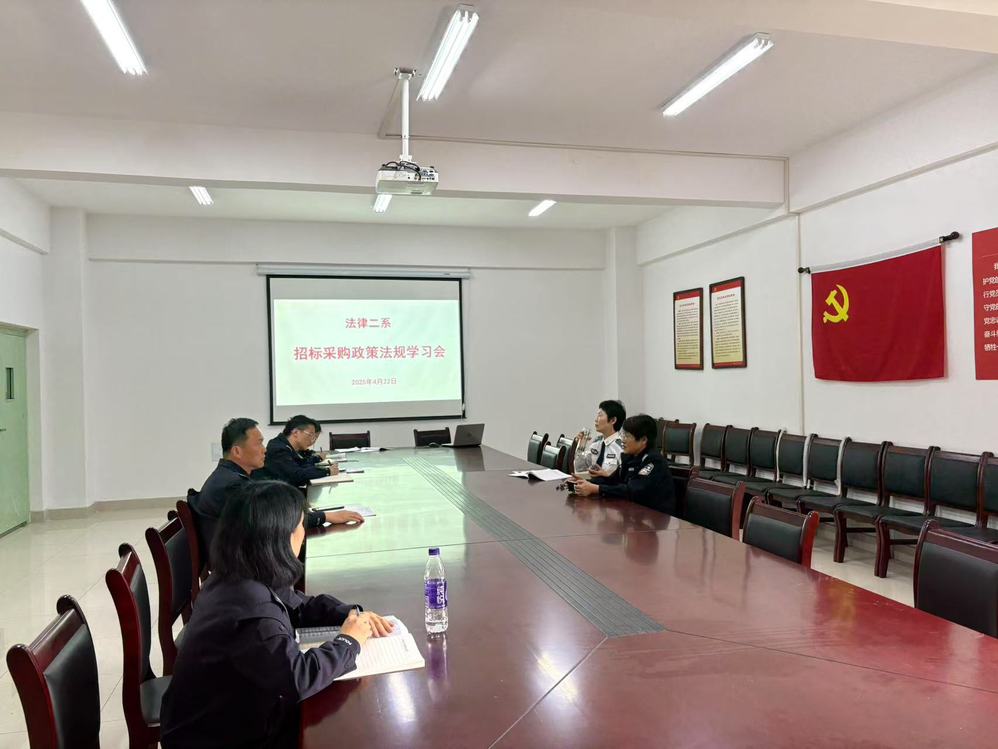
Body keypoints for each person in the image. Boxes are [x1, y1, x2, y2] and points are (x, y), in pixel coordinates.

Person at [161, 481, 394, 748]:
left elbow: (299, 605)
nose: (303, 533)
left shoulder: (241, 571)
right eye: (301, 525)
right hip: (216, 737)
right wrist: (348, 642)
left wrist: (349, 614)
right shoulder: (249, 610)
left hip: (232, 714)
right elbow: (298, 678)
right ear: (281, 537)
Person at [191, 418, 361, 561]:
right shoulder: (233, 486)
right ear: (237, 451)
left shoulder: (227, 476)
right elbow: (276, 523)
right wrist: (326, 516)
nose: (264, 449)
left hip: (239, 555)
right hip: (244, 567)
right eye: (259, 444)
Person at [571, 414, 675, 514]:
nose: (623, 440)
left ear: (643, 440)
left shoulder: (654, 461)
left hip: (653, 517)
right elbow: (614, 480)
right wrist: (587, 483)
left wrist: (596, 489)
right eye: (623, 435)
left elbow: (632, 490)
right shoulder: (630, 457)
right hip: (632, 512)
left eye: (627, 436)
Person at [255, 414, 339, 486]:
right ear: (295, 433)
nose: (312, 440)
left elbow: (304, 465)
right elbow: (297, 476)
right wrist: (327, 471)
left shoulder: (290, 446)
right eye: (310, 435)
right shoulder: (278, 448)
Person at [576, 400, 626, 479]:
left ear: (613, 420)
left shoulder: (621, 447)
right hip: (592, 484)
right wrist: (581, 444)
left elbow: (624, 479)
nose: (596, 420)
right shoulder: (597, 442)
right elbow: (580, 467)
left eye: (600, 415)